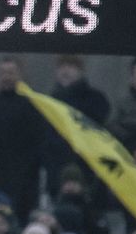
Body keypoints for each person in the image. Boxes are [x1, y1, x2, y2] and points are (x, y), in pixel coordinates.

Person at [0, 58, 43, 223]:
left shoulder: (31, 105)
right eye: (3, 73)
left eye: (11, 73)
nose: (6, 77)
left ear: (20, 75)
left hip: (25, 179)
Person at [43, 55, 109, 194]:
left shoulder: (95, 99)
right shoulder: (49, 101)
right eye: (61, 67)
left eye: (70, 67)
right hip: (55, 167)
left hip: (84, 164)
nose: (65, 71)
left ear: (80, 71)